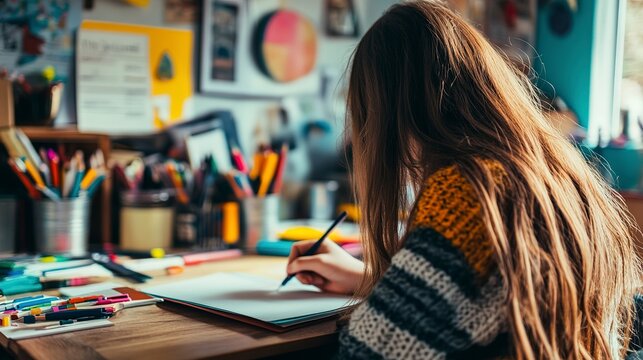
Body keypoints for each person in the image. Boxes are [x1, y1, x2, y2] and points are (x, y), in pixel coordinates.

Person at [286, 1, 643, 359]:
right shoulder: (559, 175)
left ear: (386, 116)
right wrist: (372, 281)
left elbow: (369, 353)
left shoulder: (467, 190)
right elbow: (493, 300)